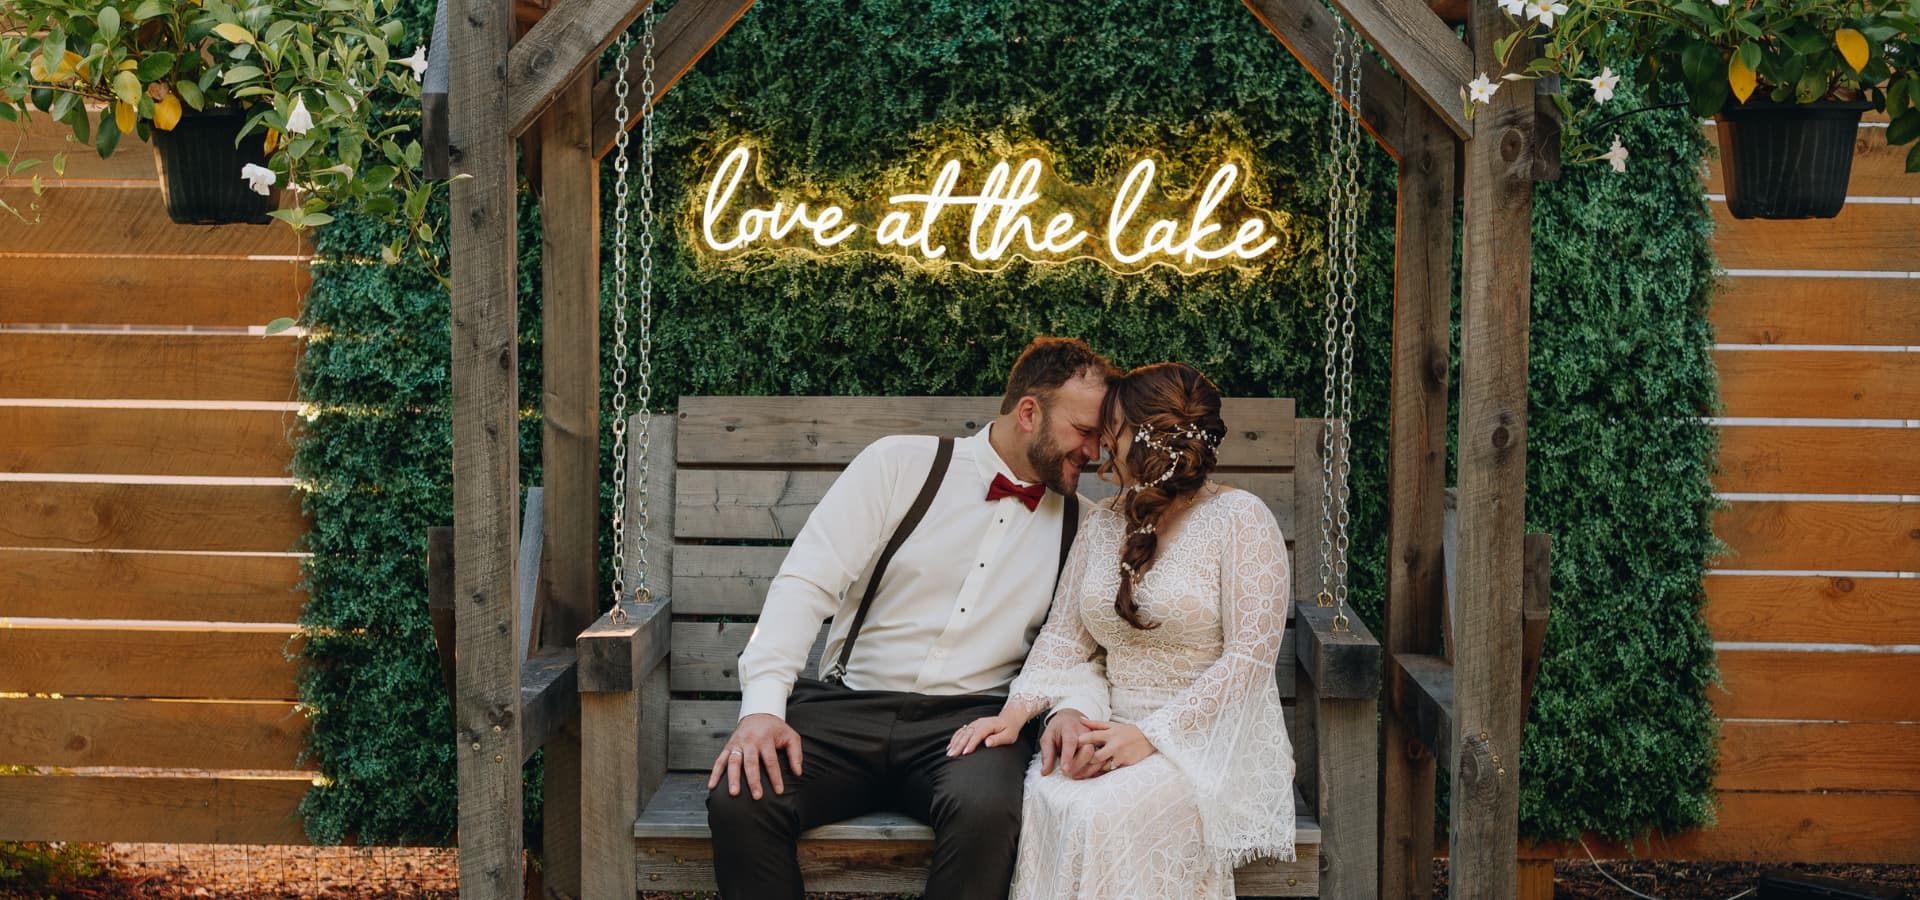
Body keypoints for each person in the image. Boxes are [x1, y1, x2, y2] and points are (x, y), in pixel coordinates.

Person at [706, 336, 1120, 900]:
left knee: (989, 811)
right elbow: (805, 584)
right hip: (847, 706)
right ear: (1030, 413)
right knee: (743, 795)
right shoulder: (900, 464)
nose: (1095, 451)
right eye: (1084, 431)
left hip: (972, 725)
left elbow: (1081, 651)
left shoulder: (1086, 526)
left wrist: (1066, 712)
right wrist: (760, 710)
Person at [948, 361, 1296, 900]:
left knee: (1103, 814)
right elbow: (1065, 638)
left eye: (1112, 428)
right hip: (1107, 725)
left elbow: (1249, 659)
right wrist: (1015, 715)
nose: (1102, 443)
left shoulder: (1240, 519)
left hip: (1201, 741)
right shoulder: (1105, 521)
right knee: (1050, 791)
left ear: (1147, 436)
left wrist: (1152, 737)